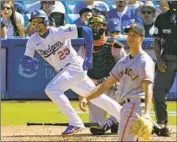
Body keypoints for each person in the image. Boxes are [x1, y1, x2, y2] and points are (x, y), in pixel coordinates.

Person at [21, 9, 123, 137]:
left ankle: (75, 122)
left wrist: (89, 55)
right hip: (66, 71)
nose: (36, 25)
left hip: (74, 66)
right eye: (34, 23)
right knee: (97, 98)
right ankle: (126, 117)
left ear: (46, 21)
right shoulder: (32, 40)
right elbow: (25, 59)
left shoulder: (59, 31)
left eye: (39, 22)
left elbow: (86, 30)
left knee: (52, 90)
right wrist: (28, 62)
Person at [79, 23, 155, 141]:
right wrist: (87, 98)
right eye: (129, 34)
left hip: (135, 106)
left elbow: (148, 88)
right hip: (125, 107)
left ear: (142, 38)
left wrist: (147, 113)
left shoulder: (144, 61)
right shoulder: (123, 61)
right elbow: (105, 85)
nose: (131, 37)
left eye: (135, 34)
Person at [78, 15, 127, 135]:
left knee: (128, 95)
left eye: (98, 25)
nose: (95, 28)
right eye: (92, 25)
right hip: (94, 89)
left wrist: (114, 80)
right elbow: (78, 72)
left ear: (104, 26)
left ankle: (112, 121)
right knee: (96, 129)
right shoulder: (84, 48)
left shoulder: (115, 46)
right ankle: (113, 122)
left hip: (114, 86)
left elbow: (126, 68)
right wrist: (81, 94)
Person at [153, 1, 177, 136]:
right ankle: (162, 123)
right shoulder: (162, 17)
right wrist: (159, 58)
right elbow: (157, 40)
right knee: (158, 92)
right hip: (168, 57)